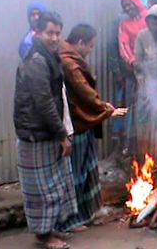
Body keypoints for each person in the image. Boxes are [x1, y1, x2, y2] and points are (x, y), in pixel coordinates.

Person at [13, 11, 76, 249]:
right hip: (36, 134)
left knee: (54, 185)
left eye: (58, 33)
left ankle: (51, 232)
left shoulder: (49, 56)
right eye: (50, 32)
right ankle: (46, 237)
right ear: (37, 32)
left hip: (44, 132)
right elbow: (43, 102)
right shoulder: (38, 60)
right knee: (43, 191)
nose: (54, 37)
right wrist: (62, 134)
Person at [59, 23, 127, 232]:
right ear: (80, 43)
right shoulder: (69, 63)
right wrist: (107, 110)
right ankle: (72, 219)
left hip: (82, 124)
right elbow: (84, 92)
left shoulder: (68, 55)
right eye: (90, 47)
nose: (90, 51)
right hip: (76, 125)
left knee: (86, 169)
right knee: (76, 173)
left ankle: (85, 213)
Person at [133, 4, 157, 158]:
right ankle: (144, 156)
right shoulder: (142, 36)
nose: (154, 25)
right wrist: (141, 78)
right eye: (151, 21)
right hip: (146, 86)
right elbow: (137, 61)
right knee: (142, 120)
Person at [118, 0, 148, 155]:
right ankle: (132, 146)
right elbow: (124, 46)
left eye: (129, 4)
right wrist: (133, 61)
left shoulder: (148, 16)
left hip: (153, 72)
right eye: (125, 6)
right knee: (133, 107)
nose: (128, 8)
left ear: (136, 2)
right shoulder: (124, 24)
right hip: (133, 73)